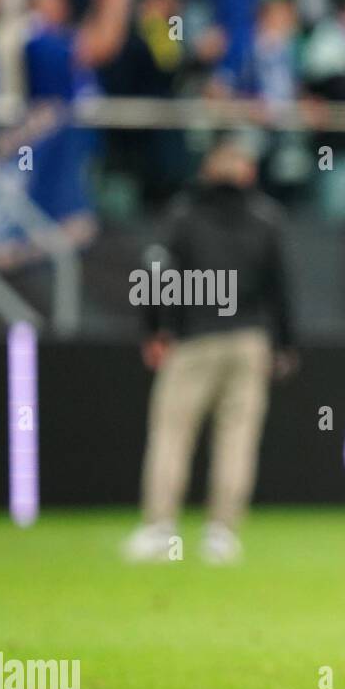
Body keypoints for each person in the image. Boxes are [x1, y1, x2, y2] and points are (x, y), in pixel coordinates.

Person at [122, 139, 297, 565]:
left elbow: (156, 272)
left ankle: (160, 528)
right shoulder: (266, 218)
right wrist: (284, 343)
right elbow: (281, 287)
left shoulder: (184, 214)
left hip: (194, 338)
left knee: (172, 434)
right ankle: (221, 533)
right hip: (249, 340)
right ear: (248, 173)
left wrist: (156, 328)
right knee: (237, 438)